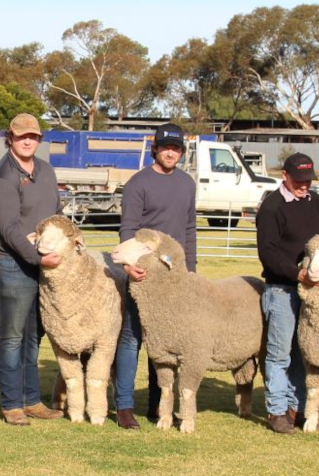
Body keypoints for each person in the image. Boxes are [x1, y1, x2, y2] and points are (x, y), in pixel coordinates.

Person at [112, 123, 196, 429]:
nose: (171, 152)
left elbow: (189, 229)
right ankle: (123, 406)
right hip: (144, 272)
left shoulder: (187, 183)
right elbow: (128, 228)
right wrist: (128, 266)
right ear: (155, 149)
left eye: (176, 148)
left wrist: (191, 269)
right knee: (132, 337)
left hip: (173, 276)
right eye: (165, 147)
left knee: (163, 339)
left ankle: (156, 403)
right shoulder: (138, 184)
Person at [0, 113, 64, 426]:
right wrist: (38, 258)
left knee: (33, 336)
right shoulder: (2, 177)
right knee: (12, 336)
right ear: (10, 138)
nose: (28, 140)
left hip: (38, 263)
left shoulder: (46, 171)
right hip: (9, 263)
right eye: (21, 136)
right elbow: (10, 229)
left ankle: (32, 399)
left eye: (34, 136)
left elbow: (56, 213)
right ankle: (12, 404)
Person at [254, 153, 319, 434]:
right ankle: (277, 411)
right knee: (279, 354)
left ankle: (298, 410)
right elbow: (268, 253)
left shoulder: (316, 203)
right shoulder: (272, 207)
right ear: (286, 177)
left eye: (308, 181)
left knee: (304, 353)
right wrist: (297, 273)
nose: (305, 186)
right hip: (283, 290)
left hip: (313, 294)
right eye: (299, 181)